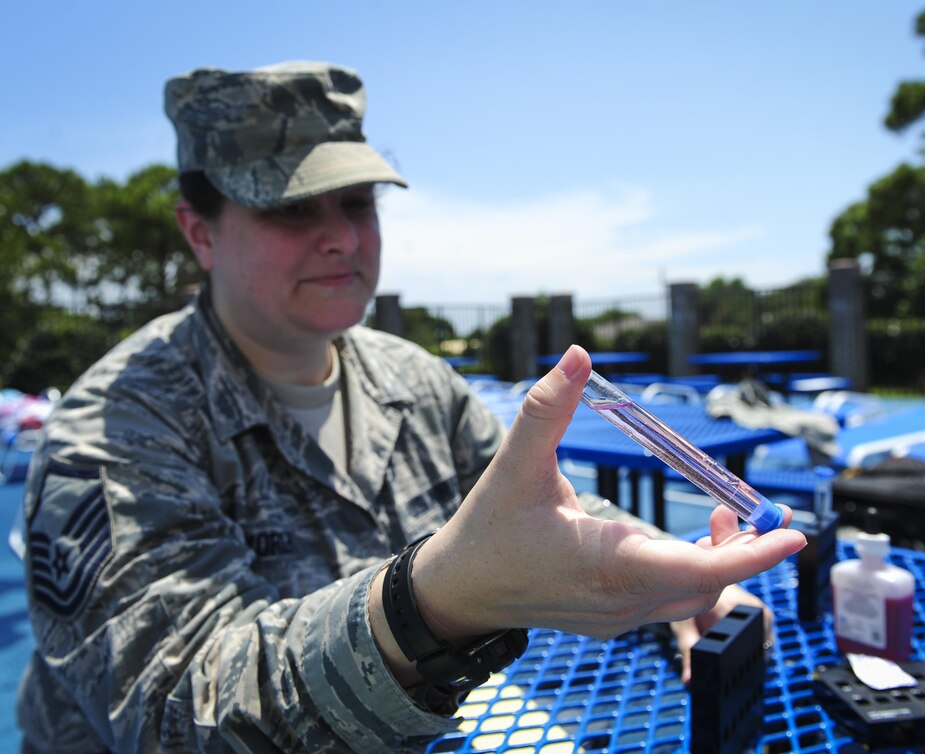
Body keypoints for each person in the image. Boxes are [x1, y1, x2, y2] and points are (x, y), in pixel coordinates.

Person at [16, 61, 807, 753]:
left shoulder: (412, 379)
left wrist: (661, 575)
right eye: (292, 208)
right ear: (200, 232)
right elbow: (168, 714)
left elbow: (543, 511)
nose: (342, 238)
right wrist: (429, 608)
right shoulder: (115, 429)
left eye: (358, 203)